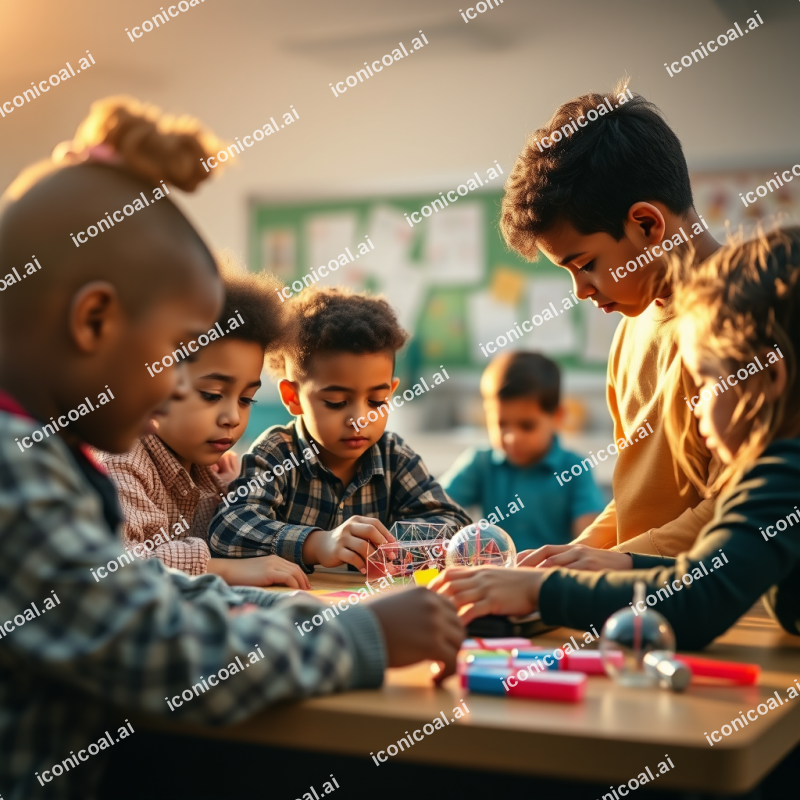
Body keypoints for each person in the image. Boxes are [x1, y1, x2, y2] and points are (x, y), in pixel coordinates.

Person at [0, 96, 464, 800]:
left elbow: (154, 596)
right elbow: (161, 650)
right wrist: (361, 636)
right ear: (94, 319)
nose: (173, 388)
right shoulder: (14, 473)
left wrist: (325, 615)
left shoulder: (46, 453)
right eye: (172, 352)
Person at [432, 226, 800, 651]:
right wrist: (615, 566)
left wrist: (539, 591)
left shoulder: (784, 477)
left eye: (705, 382)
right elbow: (703, 575)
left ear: (768, 377)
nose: (695, 408)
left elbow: (700, 599)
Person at [499, 81, 722, 570]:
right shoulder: (631, 328)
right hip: (639, 592)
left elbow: (740, 509)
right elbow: (636, 497)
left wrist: (616, 564)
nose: (580, 291)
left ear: (647, 225)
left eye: (585, 265)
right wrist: (577, 554)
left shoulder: (747, 320)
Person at [209, 287, 472, 573]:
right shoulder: (277, 453)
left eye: (376, 401)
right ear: (293, 397)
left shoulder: (394, 456)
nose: (360, 419)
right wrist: (316, 544)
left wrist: (393, 545)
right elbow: (227, 528)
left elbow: (455, 525)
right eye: (336, 402)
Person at [100, 259, 310, 588]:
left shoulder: (215, 474)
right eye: (212, 395)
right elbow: (119, 563)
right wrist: (223, 568)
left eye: (246, 399)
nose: (233, 417)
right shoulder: (122, 461)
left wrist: (233, 494)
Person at [441, 352, 604, 552]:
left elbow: (590, 538)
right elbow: (437, 508)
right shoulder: (480, 462)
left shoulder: (576, 469)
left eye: (527, 426)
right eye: (501, 424)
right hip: (493, 570)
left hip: (551, 570)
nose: (512, 438)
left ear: (557, 417)